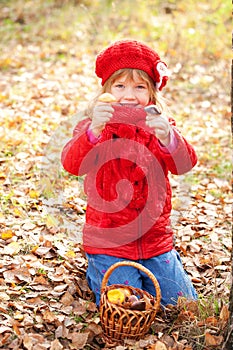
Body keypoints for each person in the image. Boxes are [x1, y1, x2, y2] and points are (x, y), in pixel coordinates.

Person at [61, 39, 198, 307]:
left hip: (155, 241)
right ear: (107, 89)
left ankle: (160, 271)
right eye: (120, 85)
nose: (129, 95)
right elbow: (72, 164)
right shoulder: (96, 126)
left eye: (139, 87)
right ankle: (99, 270)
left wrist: (168, 136)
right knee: (126, 305)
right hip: (109, 243)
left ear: (151, 93)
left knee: (183, 304)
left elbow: (184, 165)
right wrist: (94, 132)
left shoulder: (159, 124)